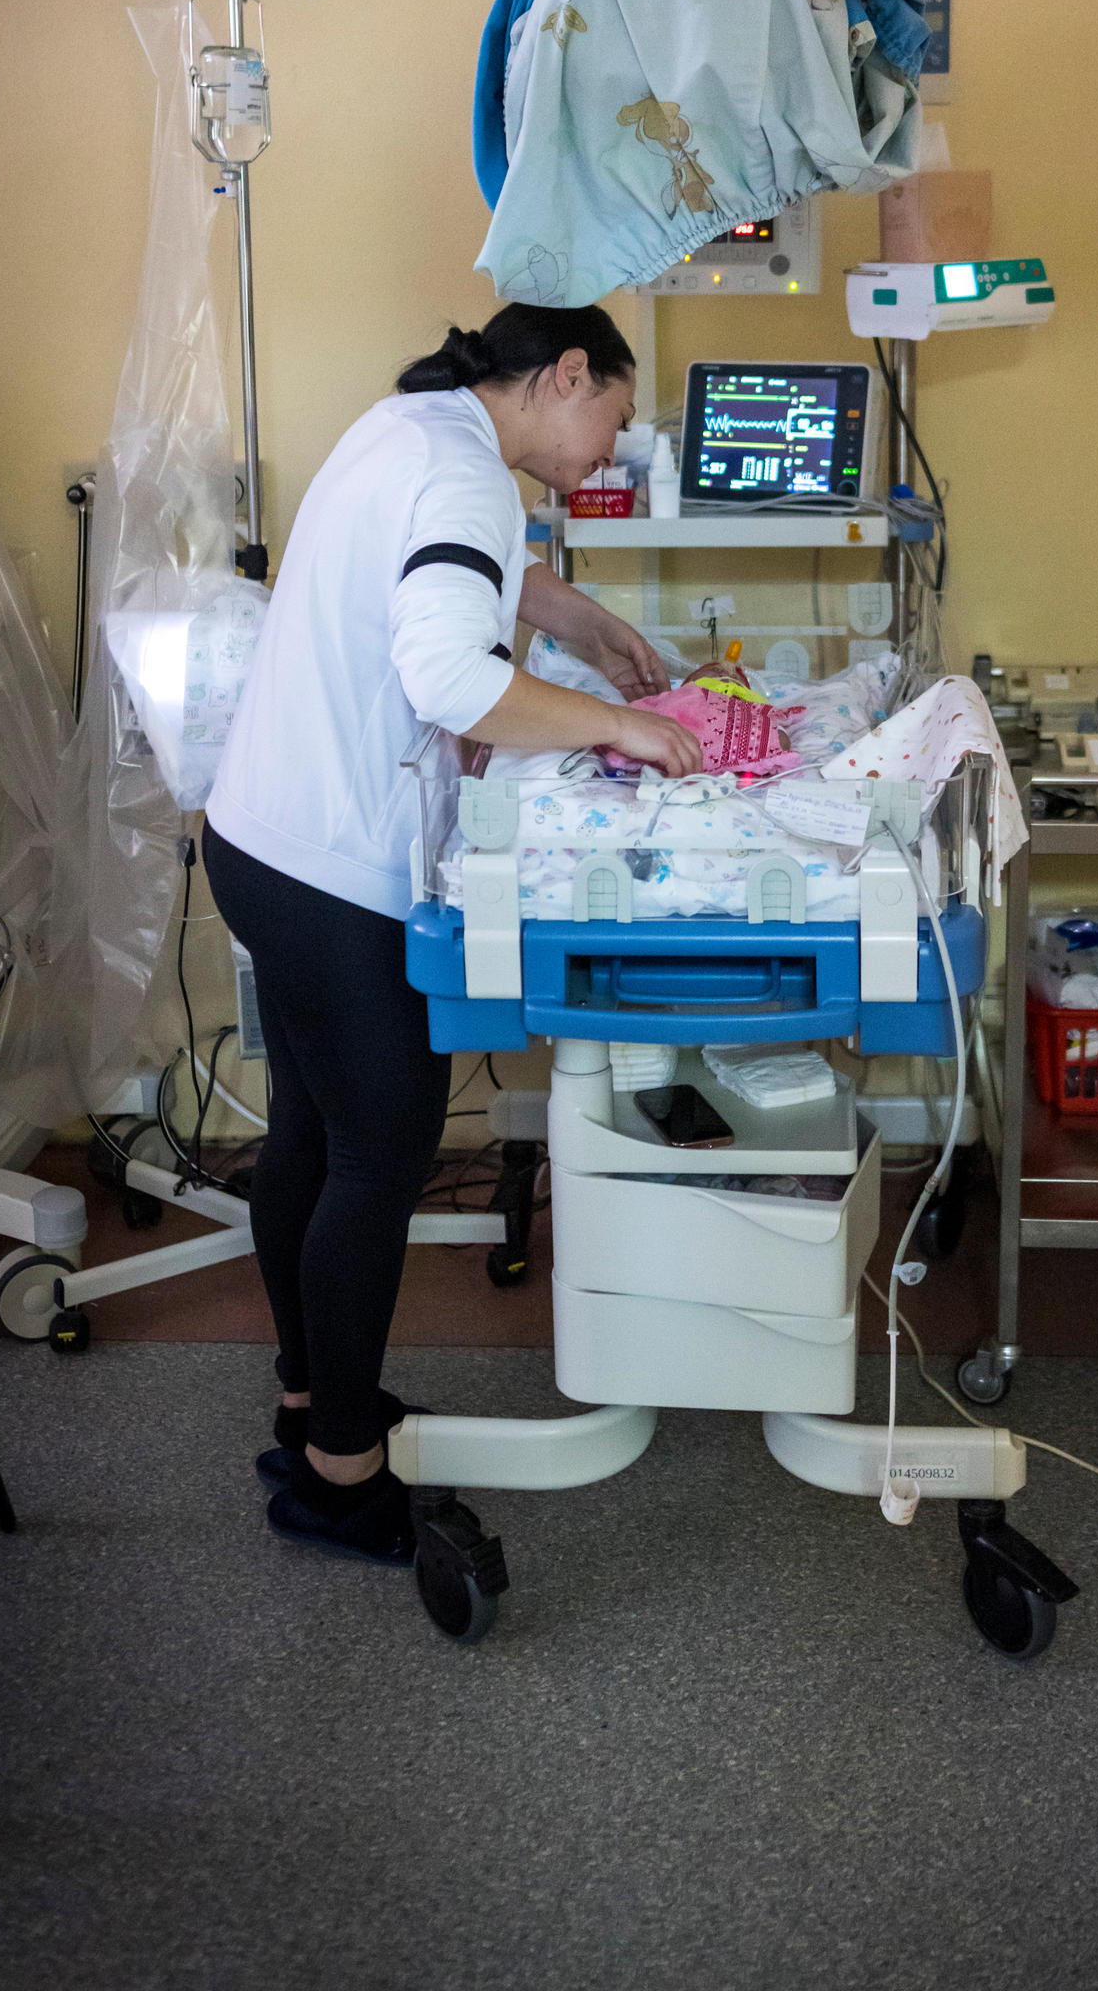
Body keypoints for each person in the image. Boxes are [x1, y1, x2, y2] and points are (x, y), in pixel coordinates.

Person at [202, 301, 699, 1564]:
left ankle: (319, 1405)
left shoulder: (413, 426)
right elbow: (451, 679)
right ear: (567, 374)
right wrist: (619, 727)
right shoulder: (466, 473)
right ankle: (340, 1479)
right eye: (617, 417)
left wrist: (576, 620)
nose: (615, 446)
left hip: (261, 835)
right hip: (328, 868)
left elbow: (453, 573)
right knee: (383, 1152)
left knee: (314, 1136)